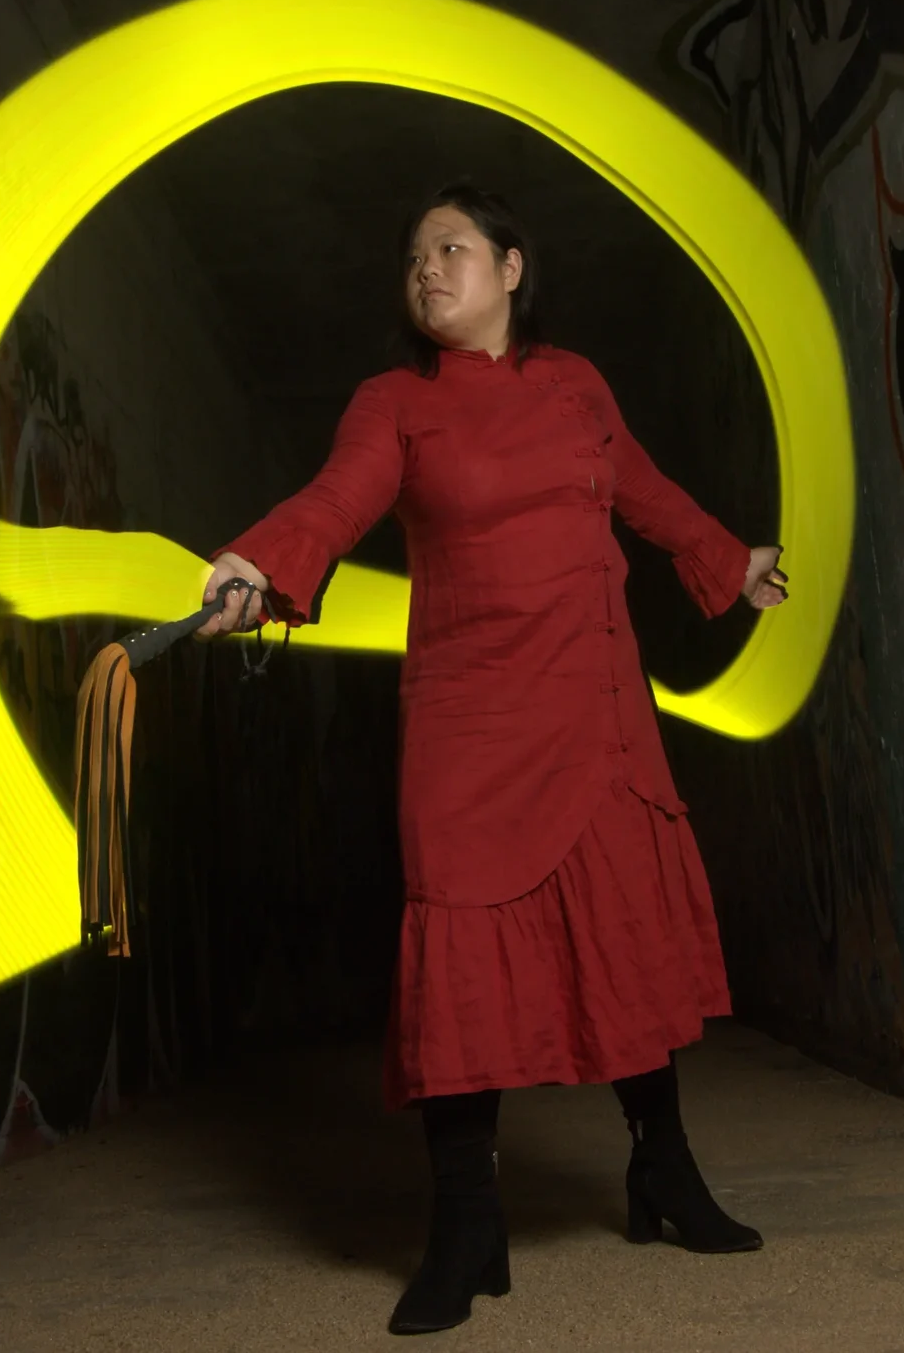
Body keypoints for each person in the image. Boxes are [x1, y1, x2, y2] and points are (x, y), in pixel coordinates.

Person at [201, 182, 789, 1336]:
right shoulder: (393, 404)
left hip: (592, 701)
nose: (427, 268)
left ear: (512, 269)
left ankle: (662, 1171)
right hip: (468, 721)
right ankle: (467, 1226)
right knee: (462, 965)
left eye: (453, 247)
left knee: (619, 938)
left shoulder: (577, 388)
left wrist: (731, 558)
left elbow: (647, 493)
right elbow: (340, 497)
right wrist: (261, 566)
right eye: (415, 255)